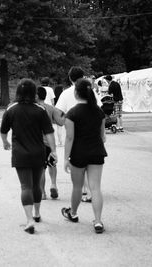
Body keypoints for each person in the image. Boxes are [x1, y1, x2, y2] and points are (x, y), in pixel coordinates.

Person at [0, 79, 57, 234]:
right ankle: (37, 213)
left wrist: (5, 142)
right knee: (36, 184)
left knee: (26, 186)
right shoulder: (40, 110)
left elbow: (3, 130)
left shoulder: (11, 109)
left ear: (18, 92)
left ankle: (29, 220)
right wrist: (53, 150)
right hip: (38, 152)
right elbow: (49, 132)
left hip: (20, 153)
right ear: (34, 93)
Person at [61, 78, 107, 234]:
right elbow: (102, 136)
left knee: (77, 187)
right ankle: (98, 221)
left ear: (75, 93)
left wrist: (66, 158)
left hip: (78, 154)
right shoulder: (99, 112)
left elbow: (69, 138)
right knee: (95, 188)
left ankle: (73, 213)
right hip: (96, 152)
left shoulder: (72, 113)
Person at [55, 66, 94, 202]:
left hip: (74, 130)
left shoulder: (66, 93)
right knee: (90, 162)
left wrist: (62, 122)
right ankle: (89, 189)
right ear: (83, 76)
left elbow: (58, 112)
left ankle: (85, 189)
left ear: (70, 78)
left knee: (78, 162)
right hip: (91, 131)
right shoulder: (91, 91)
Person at [36, 86, 62, 200]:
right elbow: (61, 122)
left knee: (41, 169)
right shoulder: (51, 108)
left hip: (38, 142)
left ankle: (42, 192)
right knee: (52, 164)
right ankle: (53, 184)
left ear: (36, 96)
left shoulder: (34, 108)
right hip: (50, 142)